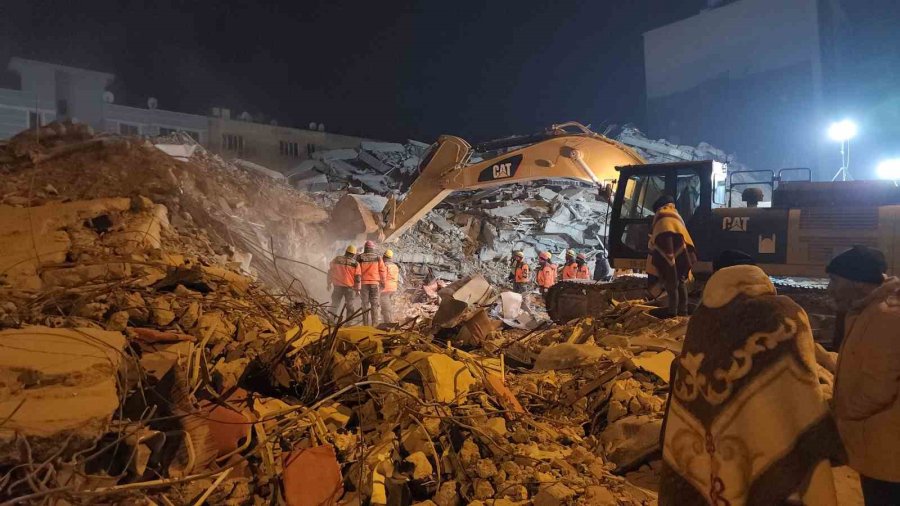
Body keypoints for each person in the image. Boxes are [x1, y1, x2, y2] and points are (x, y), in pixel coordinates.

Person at [659, 256, 840, 505]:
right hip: (775, 425)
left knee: (726, 482)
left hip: (716, 434)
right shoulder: (786, 312)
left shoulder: (703, 319)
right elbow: (803, 379)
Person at [828, 245, 900, 505]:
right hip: (881, 448)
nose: (829, 288)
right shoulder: (867, 310)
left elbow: (876, 388)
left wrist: (839, 410)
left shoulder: (886, 316)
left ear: (857, 283)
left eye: (834, 280)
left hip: (889, 455)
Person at [646, 195, 697, 317]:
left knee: (671, 282)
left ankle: (672, 313)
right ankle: (683, 311)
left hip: (667, 252)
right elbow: (685, 238)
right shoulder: (676, 215)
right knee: (680, 281)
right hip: (681, 254)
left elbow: (657, 238)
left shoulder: (661, 215)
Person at [357, 240, 386, 326]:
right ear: (372, 248)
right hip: (374, 283)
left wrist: (355, 285)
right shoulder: (378, 257)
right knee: (374, 304)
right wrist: (383, 282)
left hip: (363, 284)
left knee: (364, 304)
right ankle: (375, 324)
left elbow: (356, 271)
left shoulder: (360, 257)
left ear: (365, 248)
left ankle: (365, 324)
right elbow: (382, 270)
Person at [328, 244, 361, 319]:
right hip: (349, 288)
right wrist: (358, 289)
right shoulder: (356, 264)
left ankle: (331, 319)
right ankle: (349, 321)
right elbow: (358, 278)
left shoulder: (336, 259)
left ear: (346, 252)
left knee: (335, 303)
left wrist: (329, 283)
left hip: (337, 286)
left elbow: (330, 271)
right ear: (353, 254)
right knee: (349, 305)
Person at [381, 248, 401, 324]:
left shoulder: (384, 265)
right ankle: (387, 319)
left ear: (384, 257)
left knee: (384, 304)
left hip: (386, 288)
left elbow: (382, 277)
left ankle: (388, 322)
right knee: (387, 303)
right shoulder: (395, 266)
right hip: (393, 288)